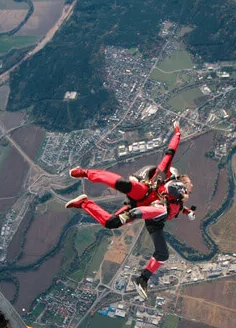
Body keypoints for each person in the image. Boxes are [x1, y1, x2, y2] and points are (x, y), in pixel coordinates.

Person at [64, 122, 196, 299]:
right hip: (145, 193)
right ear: (177, 182)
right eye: (187, 187)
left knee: (112, 223)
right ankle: (87, 173)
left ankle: (84, 203)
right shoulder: (161, 176)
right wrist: (177, 134)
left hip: (149, 212)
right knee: (123, 185)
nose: (189, 190)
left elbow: (171, 209)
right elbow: (170, 152)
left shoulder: (175, 203)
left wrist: (188, 212)